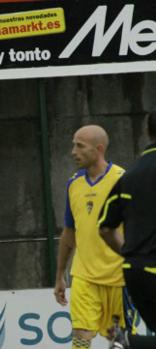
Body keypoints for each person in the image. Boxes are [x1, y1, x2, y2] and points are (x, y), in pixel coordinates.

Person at [54, 125, 127, 349]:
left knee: (118, 342)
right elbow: (69, 232)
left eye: (79, 146)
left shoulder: (122, 180)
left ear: (99, 149)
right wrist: (60, 275)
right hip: (84, 276)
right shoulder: (73, 184)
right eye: (73, 145)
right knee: (80, 340)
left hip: (118, 278)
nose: (73, 151)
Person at [99, 112, 156, 349]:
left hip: (133, 271)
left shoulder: (128, 176)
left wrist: (131, 253)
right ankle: (130, 344)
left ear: (146, 132)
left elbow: (105, 228)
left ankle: (128, 343)